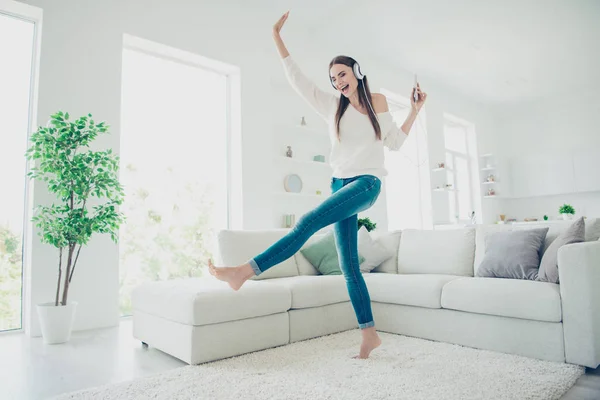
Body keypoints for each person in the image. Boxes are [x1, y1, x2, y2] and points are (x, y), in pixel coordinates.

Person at [209, 10, 427, 359]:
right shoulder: (331, 106)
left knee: (306, 223)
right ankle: (369, 334)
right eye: (333, 78)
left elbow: (396, 142)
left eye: (342, 74)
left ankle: (243, 271)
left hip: (366, 184)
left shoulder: (379, 103)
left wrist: (415, 110)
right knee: (349, 267)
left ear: (356, 72)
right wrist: (277, 38)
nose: (337, 81)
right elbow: (297, 79)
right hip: (339, 184)